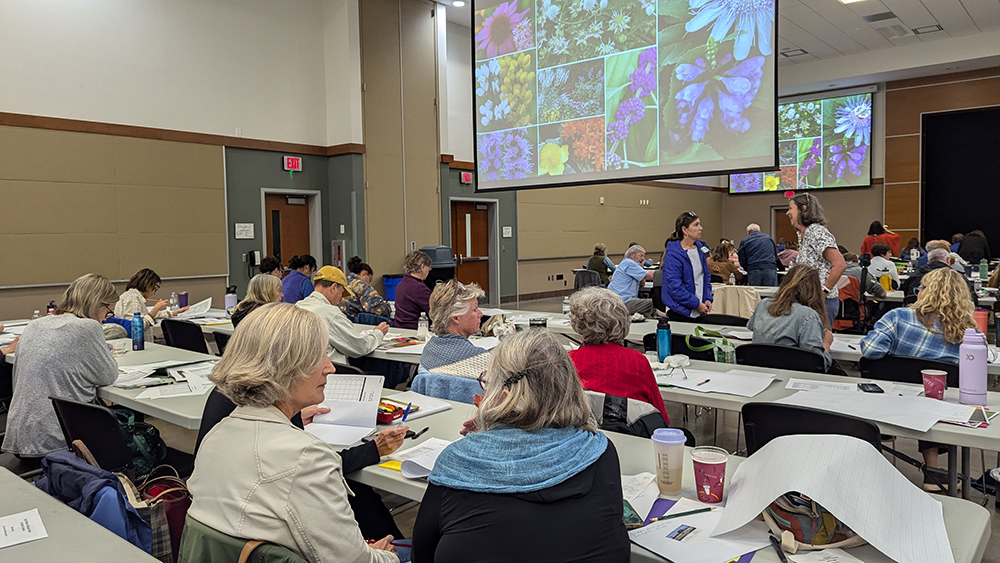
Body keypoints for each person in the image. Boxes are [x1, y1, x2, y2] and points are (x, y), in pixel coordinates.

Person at [186, 303, 404, 562]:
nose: (330, 367)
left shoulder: (216, 437)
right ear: (286, 367)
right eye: (318, 356)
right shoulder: (307, 457)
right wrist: (386, 556)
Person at [412, 329, 629, 562]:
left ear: (501, 392)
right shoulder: (601, 451)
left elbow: (421, 555)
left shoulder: (456, 463)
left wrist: (490, 435)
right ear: (569, 384)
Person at [860, 267, 977, 489]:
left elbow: (871, 350)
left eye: (920, 288)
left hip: (888, 400)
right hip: (938, 408)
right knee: (930, 398)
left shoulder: (897, 317)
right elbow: (981, 362)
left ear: (927, 292)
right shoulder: (967, 330)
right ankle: (933, 470)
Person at [1, 274, 119, 459]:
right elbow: (108, 375)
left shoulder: (34, 325)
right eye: (108, 312)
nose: (106, 318)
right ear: (98, 304)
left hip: (19, 435)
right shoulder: (89, 327)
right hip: (58, 442)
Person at [567, 287, 669, 423]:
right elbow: (661, 416)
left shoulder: (567, 362)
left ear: (578, 324)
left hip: (584, 436)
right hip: (632, 436)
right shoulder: (637, 361)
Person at [747, 265, 833, 371]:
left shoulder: (763, 304)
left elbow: (751, 326)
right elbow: (817, 363)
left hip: (759, 369)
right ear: (815, 289)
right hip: (792, 372)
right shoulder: (809, 316)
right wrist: (826, 345)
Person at [296, 266, 387, 364]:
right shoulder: (330, 313)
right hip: (331, 372)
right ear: (334, 288)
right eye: (341, 293)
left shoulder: (298, 306)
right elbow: (360, 347)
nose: (340, 299)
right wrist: (378, 334)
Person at [787, 193, 846, 326]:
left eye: (791, 208)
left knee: (819, 343)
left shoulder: (817, 232)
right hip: (808, 301)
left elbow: (840, 265)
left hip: (821, 302)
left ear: (803, 208)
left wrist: (823, 292)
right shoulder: (803, 234)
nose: (787, 213)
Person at [419, 280, 491, 378]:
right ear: (456, 317)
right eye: (474, 309)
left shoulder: (428, 352)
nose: (480, 314)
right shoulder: (480, 359)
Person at [661, 211, 713, 321]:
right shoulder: (673, 254)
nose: (701, 228)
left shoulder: (701, 248)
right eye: (696, 225)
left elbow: (705, 276)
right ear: (685, 230)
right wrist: (696, 304)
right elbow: (675, 287)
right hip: (680, 310)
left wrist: (708, 298)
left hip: (699, 308)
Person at [114, 268, 189, 329]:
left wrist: (174, 313)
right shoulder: (132, 299)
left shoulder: (132, 296)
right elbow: (136, 328)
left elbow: (144, 315)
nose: (154, 293)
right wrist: (155, 309)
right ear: (148, 284)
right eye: (155, 289)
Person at [901, 248, 977, 303]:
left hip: (918, 316)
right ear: (948, 260)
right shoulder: (959, 277)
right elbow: (972, 298)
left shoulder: (915, 276)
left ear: (928, 261)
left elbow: (907, 295)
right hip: (951, 318)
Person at [340, 256, 392, 322]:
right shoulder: (362, 286)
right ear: (365, 273)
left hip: (340, 322)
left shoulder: (343, 282)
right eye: (370, 280)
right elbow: (378, 309)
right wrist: (387, 306)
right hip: (354, 324)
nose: (369, 283)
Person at [607, 245, 655, 317]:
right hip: (623, 303)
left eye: (644, 257)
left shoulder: (625, 263)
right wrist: (667, 271)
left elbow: (642, 284)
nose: (643, 259)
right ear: (632, 254)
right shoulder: (629, 263)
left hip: (615, 302)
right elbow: (650, 276)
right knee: (656, 302)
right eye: (641, 256)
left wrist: (641, 268)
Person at [394, 251, 432, 330]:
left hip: (400, 327)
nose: (429, 270)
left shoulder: (401, 284)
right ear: (422, 267)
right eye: (429, 267)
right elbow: (435, 310)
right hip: (415, 329)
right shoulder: (419, 288)